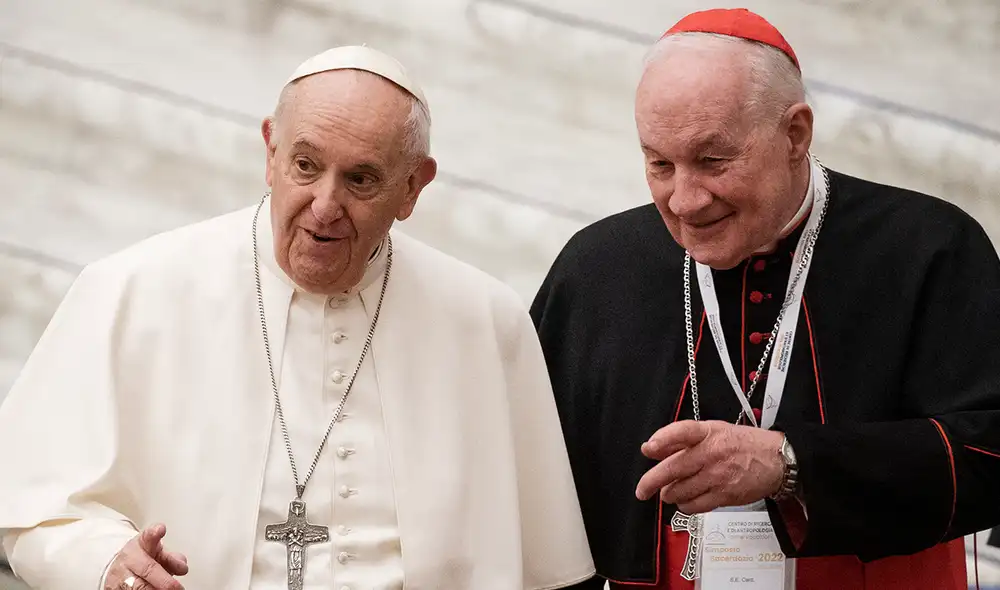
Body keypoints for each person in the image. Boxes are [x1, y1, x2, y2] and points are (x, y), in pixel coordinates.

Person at [0, 45, 595, 590]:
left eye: (361, 179)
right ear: (270, 152)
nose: (325, 206)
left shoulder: (485, 323)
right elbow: (30, 512)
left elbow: (550, 569)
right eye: (306, 166)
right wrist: (105, 563)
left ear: (413, 187)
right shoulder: (133, 289)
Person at [531, 8, 1000, 590]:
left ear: (795, 134)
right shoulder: (596, 268)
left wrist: (790, 462)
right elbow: (531, 481)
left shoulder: (929, 248)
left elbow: (992, 452)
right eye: (659, 164)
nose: (684, 201)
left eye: (713, 160)